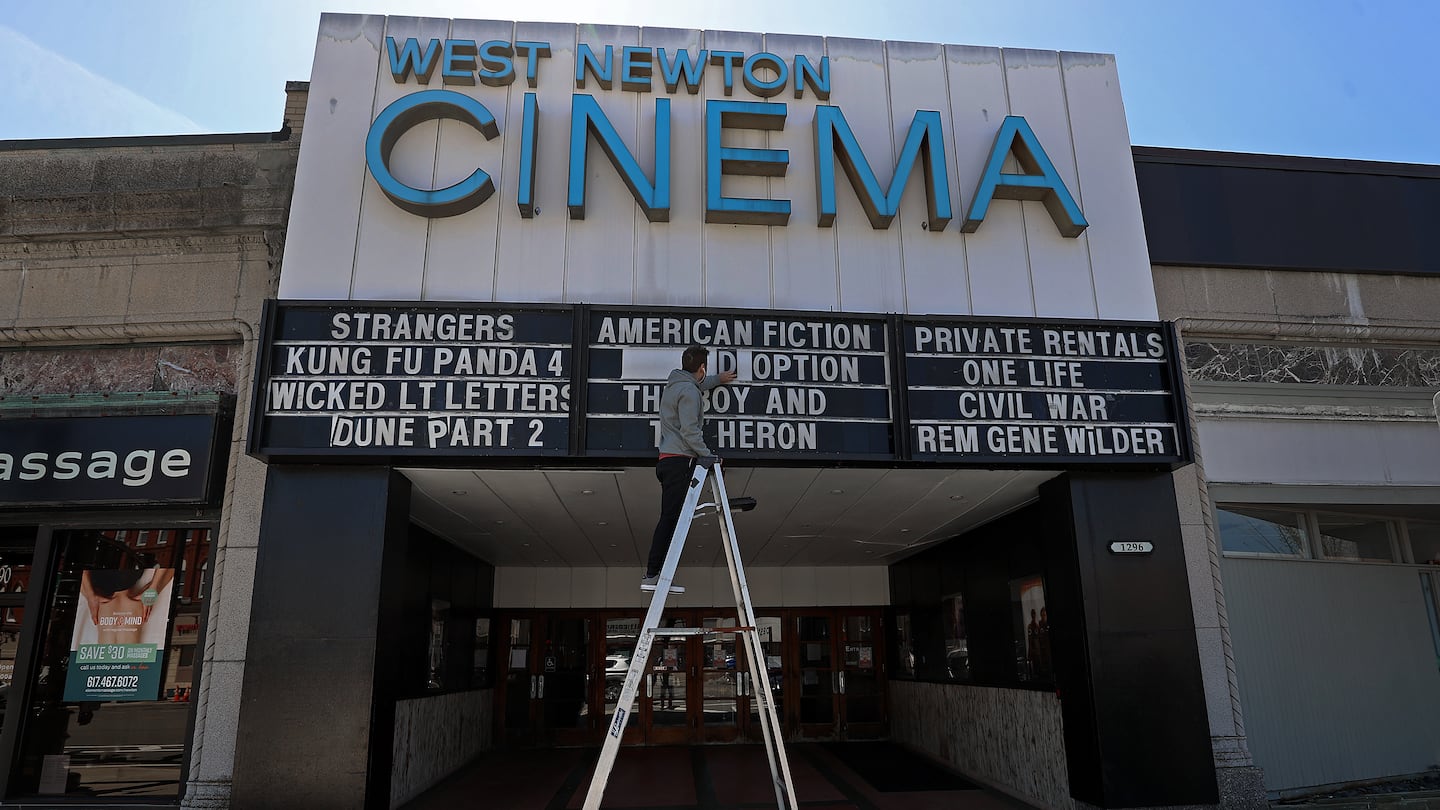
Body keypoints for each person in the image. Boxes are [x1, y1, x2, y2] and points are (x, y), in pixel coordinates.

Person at [643, 345, 736, 591]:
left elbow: (696, 385)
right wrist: (710, 456)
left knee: (671, 519)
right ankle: (654, 575)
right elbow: (690, 432)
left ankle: (657, 574)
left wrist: (717, 380)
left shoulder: (676, 385)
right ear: (702, 368)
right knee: (671, 520)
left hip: (666, 460)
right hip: (680, 461)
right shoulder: (690, 393)